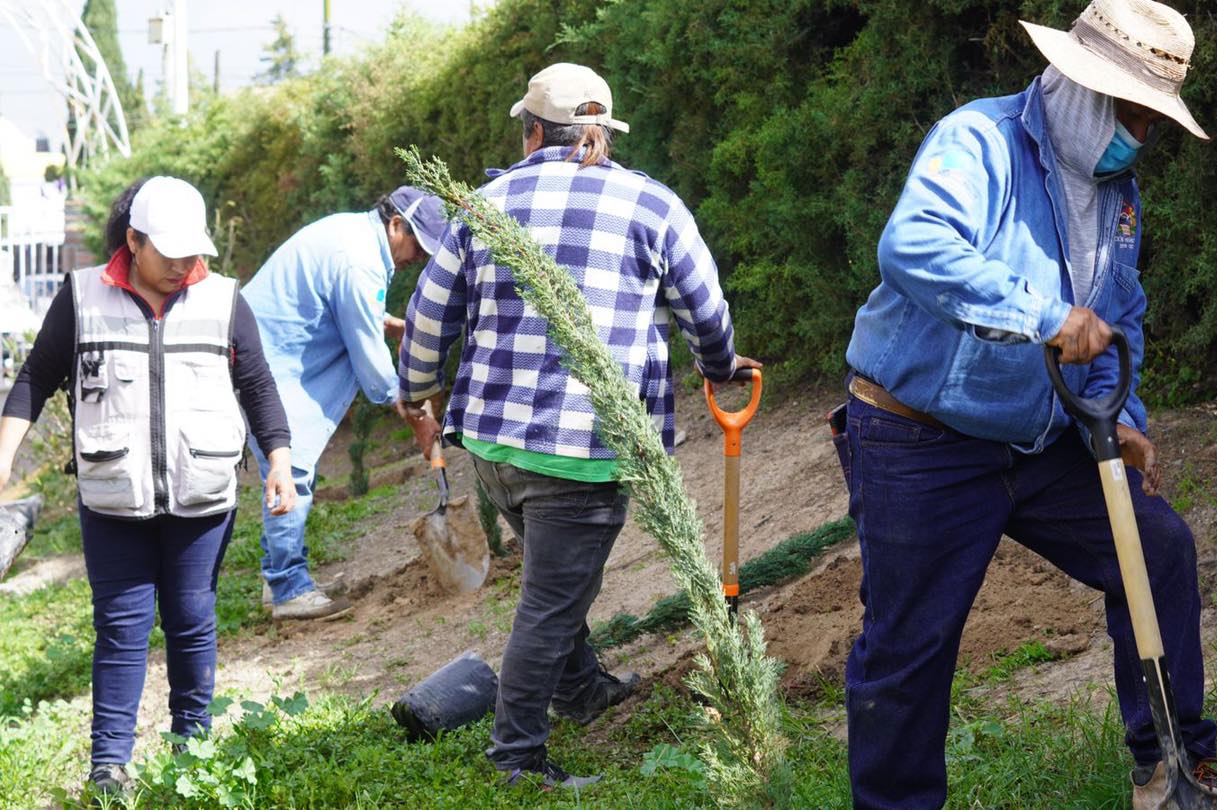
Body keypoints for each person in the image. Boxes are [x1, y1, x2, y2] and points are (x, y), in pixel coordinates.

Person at [838, 2, 1217, 807]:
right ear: (1084, 89)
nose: (1142, 137)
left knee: (1156, 551)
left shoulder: (1116, 195)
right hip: (919, 439)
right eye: (1134, 113)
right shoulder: (978, 142)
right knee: (910, 649)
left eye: (1154, 118)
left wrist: (1118, 417)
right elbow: (913, 247)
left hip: (1037, 439)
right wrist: (1044, 316)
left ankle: (1172, 774)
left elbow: (1117, 318)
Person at [397, 62, 762, 790]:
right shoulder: (652, 204)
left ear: (532, 131)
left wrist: (416, 392)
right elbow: (704, 308)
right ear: (602, 133)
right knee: (553, 597)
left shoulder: (483, 205)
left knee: (554, 576)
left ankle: (582, 689)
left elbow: (429, 317)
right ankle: (519, 759)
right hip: (584, 451)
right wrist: (719, 368)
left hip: (493, 449)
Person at [0, 177, 296, 799]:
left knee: (192, 620)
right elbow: (37, 376)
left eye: (194, 253)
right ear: (133, 241)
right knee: (121, 627)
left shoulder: (223, 299)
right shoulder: (82, 297)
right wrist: (4, 454)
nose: (185, 266)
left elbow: (259, 386)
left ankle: (193, 746)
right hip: (113, 496)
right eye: (170, 254)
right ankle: (108, 764)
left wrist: (279, 459)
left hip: (202, 493)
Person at [241, 187, 447, 620]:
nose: (420, 258)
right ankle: (287, 590)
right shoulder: (358, 259)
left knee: (293, 467)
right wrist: (413, 415)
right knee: (290, 468)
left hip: (272, 354)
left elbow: (346, 308)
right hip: (268, 360)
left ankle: (281, 577)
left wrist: (390, 325)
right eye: (418, 246)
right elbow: (369, 357)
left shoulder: (353, 238)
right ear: (396, 225)